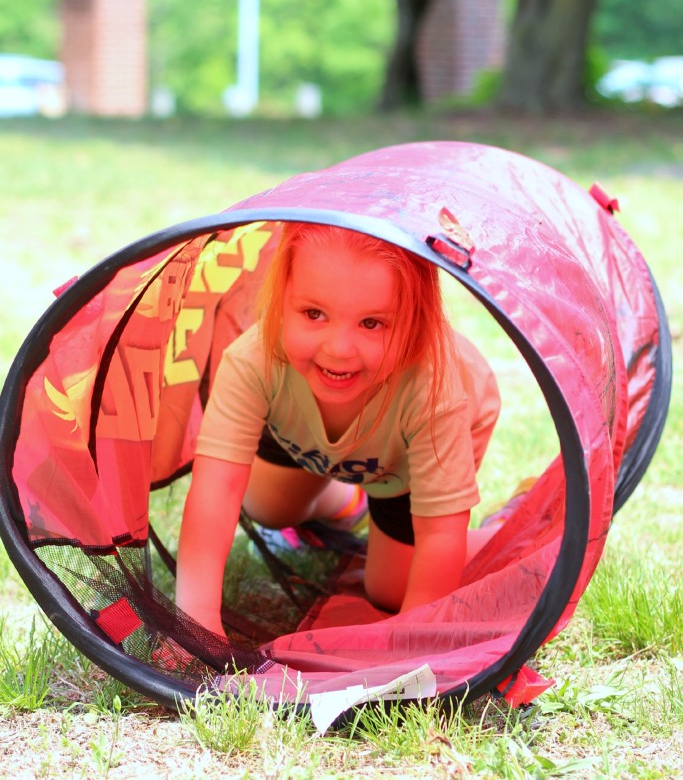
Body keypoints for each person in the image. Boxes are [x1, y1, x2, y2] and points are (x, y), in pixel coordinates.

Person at [175, 222, 501, 638]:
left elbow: (440, 533)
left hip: (401, 464)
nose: (339, 349)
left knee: (391, 587)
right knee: (266, 506)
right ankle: (349, 504)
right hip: (309, 435)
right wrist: (195, 625)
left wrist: (412, 644)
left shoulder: (436, 391)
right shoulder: (253, 360)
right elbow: (215, 489)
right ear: (280, 301)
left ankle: (510, 530)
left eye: (372, 324)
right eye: (314, 314)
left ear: (416, 322)